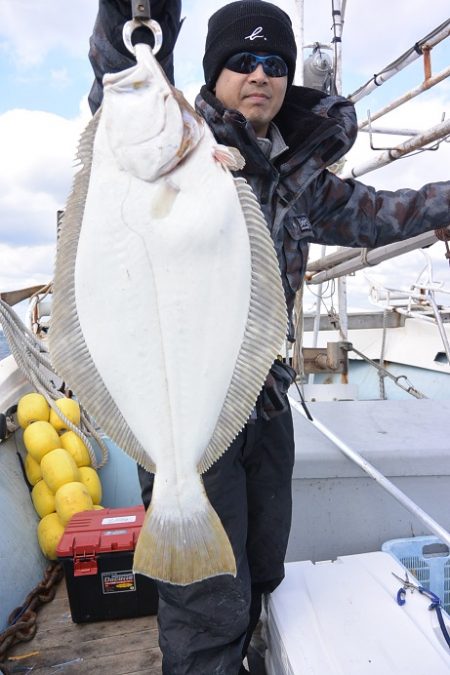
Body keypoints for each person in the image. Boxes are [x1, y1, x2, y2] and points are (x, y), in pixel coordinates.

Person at [88, 1, 450, 673]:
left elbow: (381, 214)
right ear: (212, 72)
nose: (260, 75)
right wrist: (138, 11)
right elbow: (120, 72)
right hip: (187, 406)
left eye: (275, 64)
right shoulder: (173, 141)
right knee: (205, 608)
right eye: (241, 61)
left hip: (267, 408)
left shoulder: (296, 178)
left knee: (261, 572)